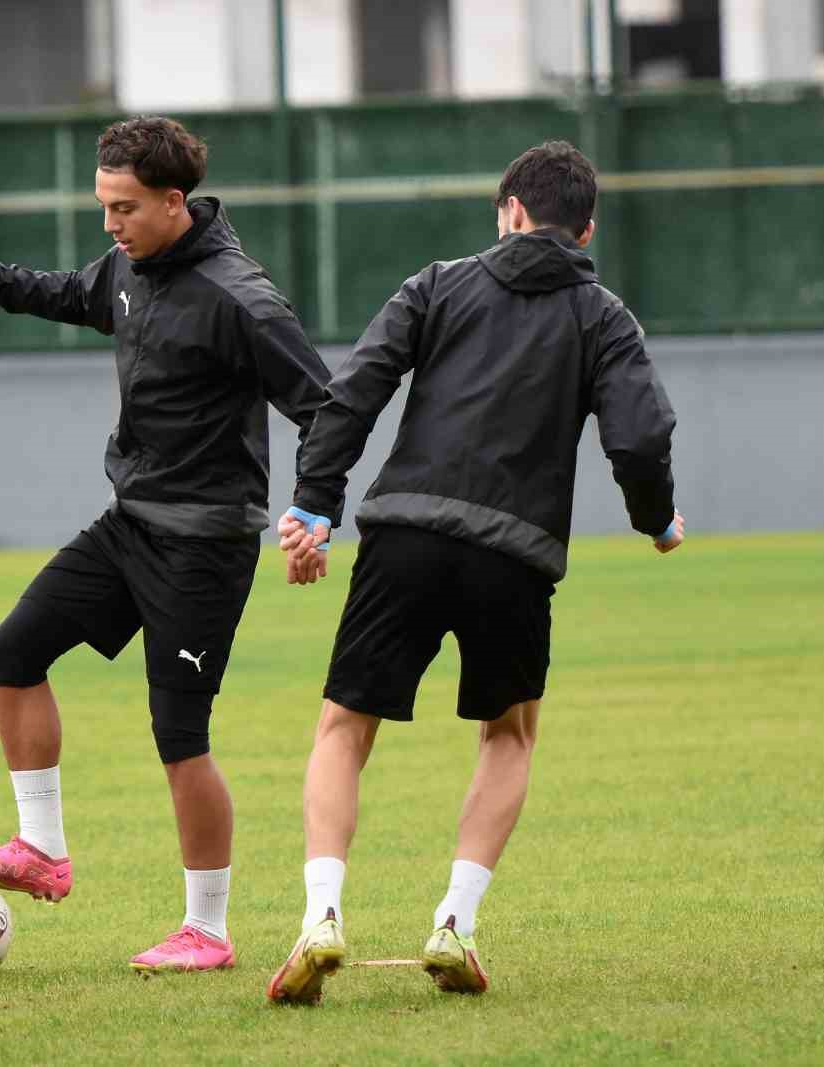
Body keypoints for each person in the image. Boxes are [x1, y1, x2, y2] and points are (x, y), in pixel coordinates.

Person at [264, 141, 684, 1005]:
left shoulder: (439, 283)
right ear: (587, 227)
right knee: (509, 733)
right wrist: (656, 519)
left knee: (344, 727)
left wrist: (314, 505)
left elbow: (357, 392)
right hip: (516, 555)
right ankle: (454, 923)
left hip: (405, 534)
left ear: (512, 211)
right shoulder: (604, 317)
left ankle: (320, 917)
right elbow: (639, 437)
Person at [0, 116, 336, 973]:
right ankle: (41, 847)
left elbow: (325, 405)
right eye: (103, 206)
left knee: (179, 734)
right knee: (12, 650)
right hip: (130, 525)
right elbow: (72, 293)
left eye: (123, 208)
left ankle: (209, 931)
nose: (109, 225)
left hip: (205, 546)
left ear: (173, 202)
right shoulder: (126, 267)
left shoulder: (241, 298)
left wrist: (315, 510)